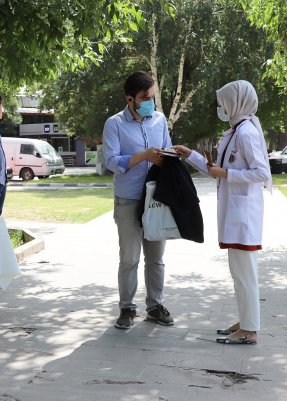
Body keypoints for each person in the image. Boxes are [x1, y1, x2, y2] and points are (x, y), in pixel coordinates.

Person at [173, 80, 271, 345]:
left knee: (244, 273)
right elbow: (216, 169)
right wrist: (189, 154)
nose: (221, 108)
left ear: (236, 103)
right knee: (239, 272)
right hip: (235, 214)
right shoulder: (236, 131)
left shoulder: (246, 132)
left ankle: (250, 330)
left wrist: (226, 173)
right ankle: (246, 320)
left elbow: (261, 173)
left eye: (223, 103)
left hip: (243, 216)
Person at [103, 71, 174, 329]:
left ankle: (155, 305)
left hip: (156, 199)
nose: (150, 102)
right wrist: (143, 155)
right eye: (145, 98)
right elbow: (111, 162)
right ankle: (127, 308)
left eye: (152, 97)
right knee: (129, 258)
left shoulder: (159, 120)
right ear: (129, 98)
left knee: (156, 258)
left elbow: (167, 151)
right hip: (129, 200)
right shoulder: (114, 124)